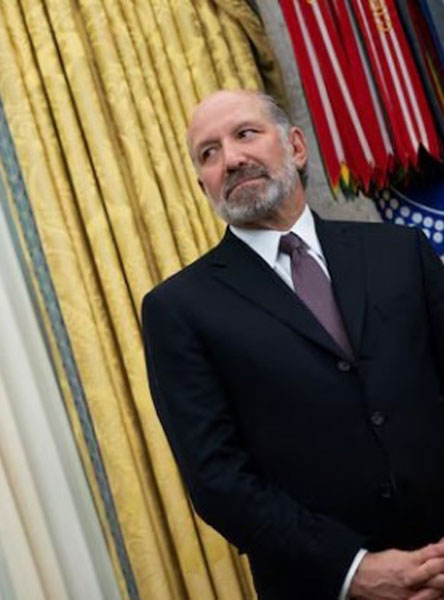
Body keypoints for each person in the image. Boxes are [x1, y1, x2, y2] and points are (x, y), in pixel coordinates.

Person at [140, 89, 444, 600]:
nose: (231, 159)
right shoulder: (178, 308)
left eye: (245, 134)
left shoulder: (400, 251)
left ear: (296, 147)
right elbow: (218, 480)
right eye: (208, 154)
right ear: (203, 186)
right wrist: (354, 571)